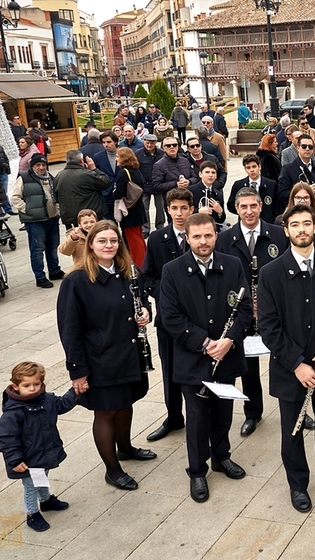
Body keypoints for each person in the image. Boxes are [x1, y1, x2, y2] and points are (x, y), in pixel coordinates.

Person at [256, 203, 315, 512]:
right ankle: (298, 484)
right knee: (293, 430)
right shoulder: (271, 274)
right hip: (290, 369)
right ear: (286, 230)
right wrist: (297, 363)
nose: (302, 229)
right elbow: (268, 328)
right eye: (295, 224)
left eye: (307, 224)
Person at [159, 212, 252, 502]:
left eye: (208, 235)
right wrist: (204, 342)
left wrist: (229, 340)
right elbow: (171, 317)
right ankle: (197, 471)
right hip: (194, 360)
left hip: (226, 355)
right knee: (197, 418)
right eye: (196, 236)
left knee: (223, 413)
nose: (203, 241)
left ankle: (221, 457)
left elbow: (245, 309)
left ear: (216, 235)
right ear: (187, 238)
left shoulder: (233, 264)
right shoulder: (172, 270)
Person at [57, 220, 156, 491]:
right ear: (90, 244)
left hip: (129, 354)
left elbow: (142, 299)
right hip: (101, 360)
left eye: (113, 241)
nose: (109, 246)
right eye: (102, 241)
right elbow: (69, 330)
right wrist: (77, 371)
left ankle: (124, 448)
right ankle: (112, 469)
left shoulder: (127, 271)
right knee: (106, 412)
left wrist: (146, 311)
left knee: (126, 403)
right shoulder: (76, 281)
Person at [216, 187, 286, 437]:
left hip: (277, 310)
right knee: (248, 365)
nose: (248, 211)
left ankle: (296, 405)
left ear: (260, 206)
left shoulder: (278, 234)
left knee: (287, 358)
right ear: (236, 208)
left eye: (253, 206)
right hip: (242, 313)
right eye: (243, 206)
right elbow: (222, 278)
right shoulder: (224, 239)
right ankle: (252, 412)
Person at [0, 361, 77, 532]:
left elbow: (61, 405)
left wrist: (75, 392)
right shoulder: (14, 412)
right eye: (26, 385)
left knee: (43, 478)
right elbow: (6, 436)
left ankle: (46, 501)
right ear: (15, 386)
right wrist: (14, 459)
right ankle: (32, 514)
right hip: (28, 459)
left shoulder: (46, 400)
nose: (32, 388)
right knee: (31, 486)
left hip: (44, 453)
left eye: (36, 384)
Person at [142, 188, 194, 442]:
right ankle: (174, 416)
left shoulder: (200, 235)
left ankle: (201, 416)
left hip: (197, 319)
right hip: (168, 319)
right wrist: (165, 292)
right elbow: (147, 276)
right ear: (167, 210)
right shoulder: (156, 239)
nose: (179, 213)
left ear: (191, 209)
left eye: (184, 208)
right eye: (174, 208)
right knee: (170, 369)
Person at [11, 154, 65, 288]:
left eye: (43, 165)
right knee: (37, 250)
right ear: (32, 166)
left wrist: (57, 210)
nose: (41, 167)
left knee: (52, 247)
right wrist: (28, 209)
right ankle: (40, 277)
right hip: (35, 221)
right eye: (38, 165)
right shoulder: (24, 178)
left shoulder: (51, 178)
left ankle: (54, 271)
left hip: (52, 218)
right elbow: (15, 198)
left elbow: (56, 196)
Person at [113, 147, 148, 267]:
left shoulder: (124, 173)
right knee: (139, 238)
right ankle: (145, 261)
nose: (116, 158)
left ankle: (140, 265)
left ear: (124, 158)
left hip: (130, 212)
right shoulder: (136, 170)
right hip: (138, 209)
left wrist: (114, 191)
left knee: (134, 241)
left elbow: (119, 193)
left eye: (118, 156)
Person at [226, 154, 278, 224]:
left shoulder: (271, 185)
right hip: (246, 223)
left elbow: (277, 205)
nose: (252, 170)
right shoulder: (238, 185)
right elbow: (231, 205)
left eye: (254, 167)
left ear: (259, 167)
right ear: (245, 169)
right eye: (248, 168)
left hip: (267, 223)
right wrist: (243, 211)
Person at [135, 135, 165, 237]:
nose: (149, 145)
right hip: (144, 186)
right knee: (144, 208)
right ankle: (145, 228)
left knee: (160, 207)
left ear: (155, 142)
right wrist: (143, 182)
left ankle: (160, 226)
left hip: (158, 185)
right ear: (144, 142)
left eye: (151, 143)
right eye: (147, 142)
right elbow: (136, 170)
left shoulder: (161, 153)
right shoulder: (138, 154)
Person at [189, 161, 226, 227]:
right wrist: (198, 211)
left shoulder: (218, 194)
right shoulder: (191, 190)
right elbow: (185, 211)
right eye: (207, 172)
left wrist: (220, 212)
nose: (210, 175)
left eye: (213, 172)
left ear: (216, 176)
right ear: (200, 174)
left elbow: (221, 220)